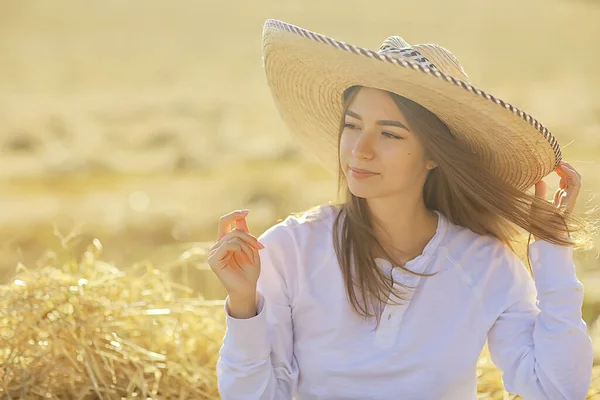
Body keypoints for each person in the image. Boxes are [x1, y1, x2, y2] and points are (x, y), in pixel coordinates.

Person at [208, 19, 595, 400]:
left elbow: (558, 390)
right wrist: (243, 306)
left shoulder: (486, 264)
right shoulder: (291, 249)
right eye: (353, 125)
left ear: (433, 155)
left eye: (390, 133)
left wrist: (552, 252)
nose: (361, 149)